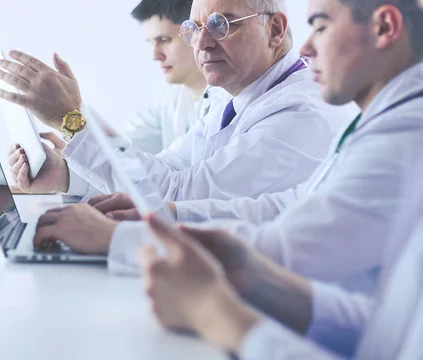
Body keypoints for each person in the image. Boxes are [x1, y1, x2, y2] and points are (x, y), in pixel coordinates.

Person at [138, 0, 423, 358]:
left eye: (319, 26)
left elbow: (293, 246)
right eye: (195, 30)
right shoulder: (384, 117)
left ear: (384, 27)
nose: (304, 47)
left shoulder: (404, 134)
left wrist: (219, 316)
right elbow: (390, 328)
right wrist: (248, 271)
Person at [0, 0, 354, 203]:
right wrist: (67, 175)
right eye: (193, 29)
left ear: (275, 30)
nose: (201, 44)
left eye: (220, 24)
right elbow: (160, 172)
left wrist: (70, 119)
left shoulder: (298, 114)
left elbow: (177, 199)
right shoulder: (229, 99)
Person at [126, 0, 229, 154]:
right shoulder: (168, 95)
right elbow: (127, 150)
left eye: (164, 40)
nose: (155, 56)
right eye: (151, 43)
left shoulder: (230, 100)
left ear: (196, 32)